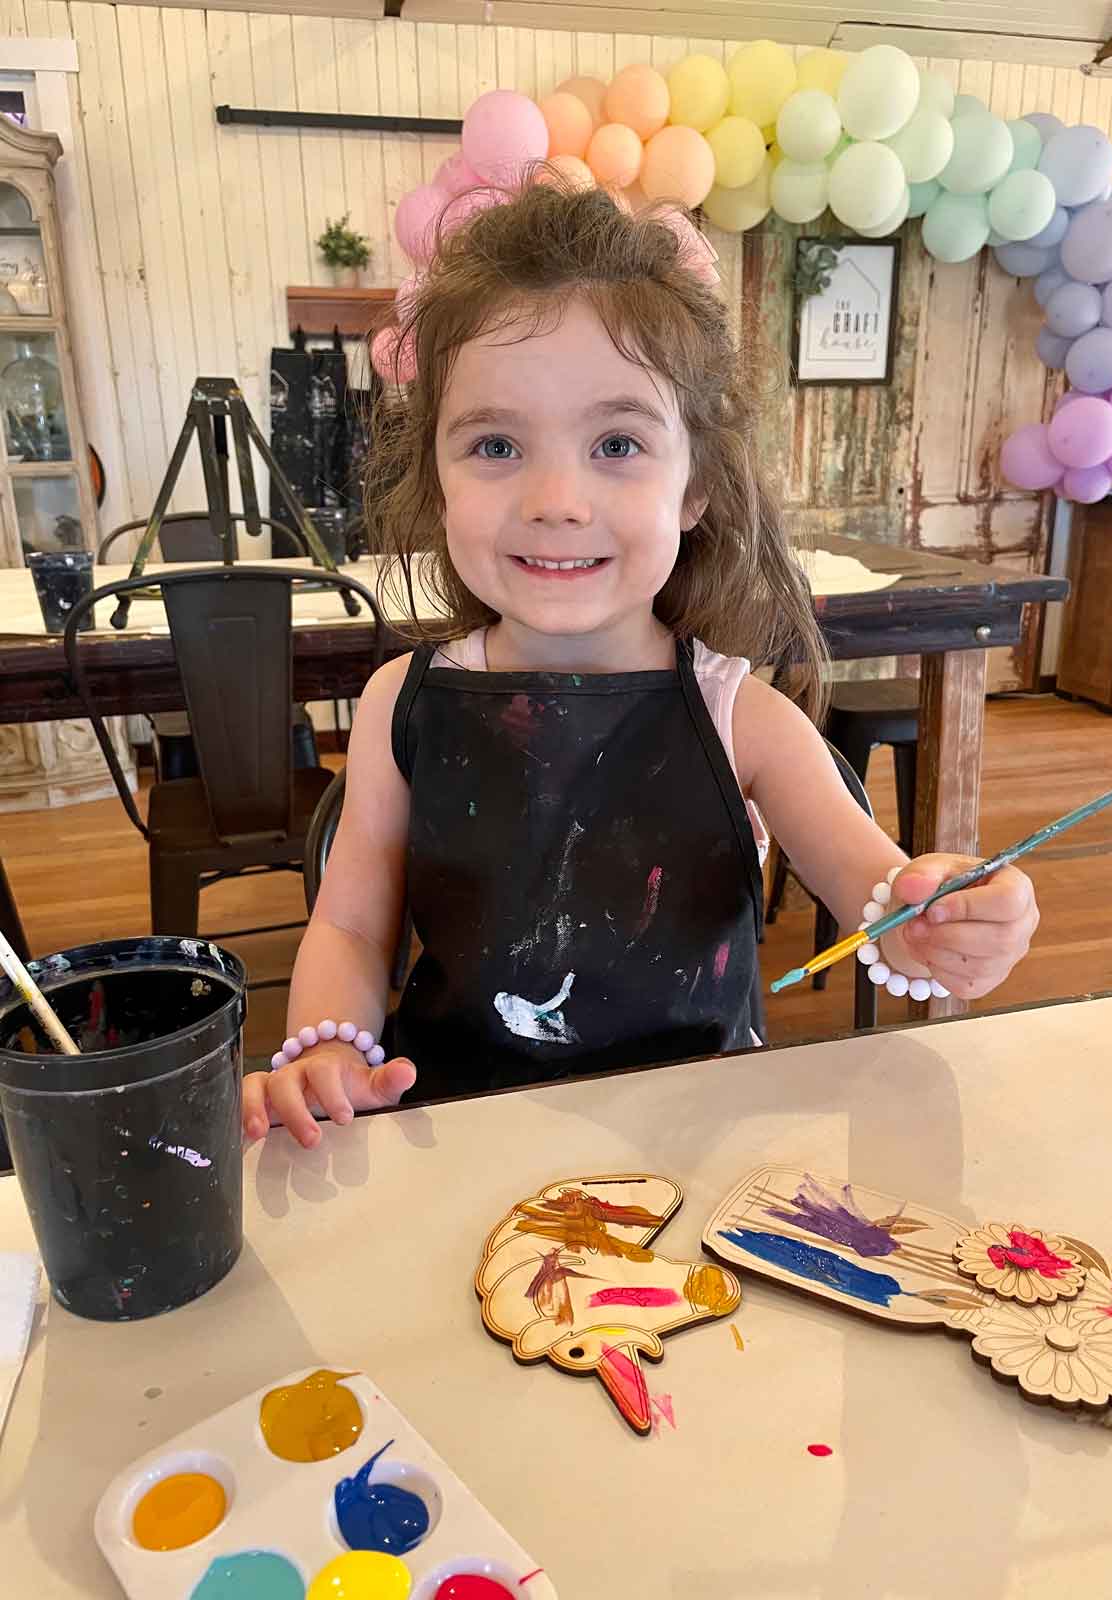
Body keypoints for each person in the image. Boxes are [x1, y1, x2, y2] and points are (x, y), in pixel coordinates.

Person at [243, 180, 1038, 1149]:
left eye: (617, 443)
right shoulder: (397, 707)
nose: (556, 498)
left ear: (695, 484)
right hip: (454, 1145)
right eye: (495, 444)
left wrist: (940, 923)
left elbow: (881, 896)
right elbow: (353, 930)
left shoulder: (741, 720)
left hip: (696, 1162)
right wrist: (329, 1050)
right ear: (436, 480)